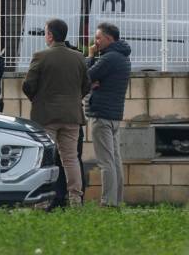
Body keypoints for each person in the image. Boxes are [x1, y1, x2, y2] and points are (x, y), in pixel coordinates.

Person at [22, 19, 91, 206]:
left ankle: (42, 201)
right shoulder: (78, 57)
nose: (45, 35)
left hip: (46, 116)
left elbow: (28, 85)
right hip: (72, 115)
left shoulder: (40, 56)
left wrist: (38, 100)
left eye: (45, 32)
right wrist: (73, 100)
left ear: (50, 35)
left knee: (45, 158)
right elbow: (86, 85)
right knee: (71, 158)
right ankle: (76, 198)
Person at [87, 22, 131, 207]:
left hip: (101, 115)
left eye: (98, 38)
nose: (95, 42)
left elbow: (85, 76)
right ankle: (117, 200)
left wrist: (90, 56)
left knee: (106, 162)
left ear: (109, 38)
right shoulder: (123, 57)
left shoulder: (109, 58)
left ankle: (107, 203)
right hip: (114, 116)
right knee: (115, 160)